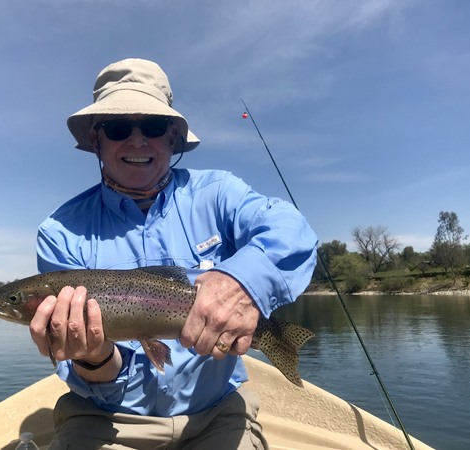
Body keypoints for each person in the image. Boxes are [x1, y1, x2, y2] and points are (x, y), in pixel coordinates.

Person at [30, 58, 318, 450]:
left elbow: (294, 230)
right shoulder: (60, 233)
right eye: (117, 128)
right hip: (106, 419)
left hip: (217, 413)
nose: (136, 141)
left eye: (151, 126)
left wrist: (240, 282)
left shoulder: (219, 193)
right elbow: (95, 374)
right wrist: (94, 358)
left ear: (172, 138)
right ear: (96, 140)